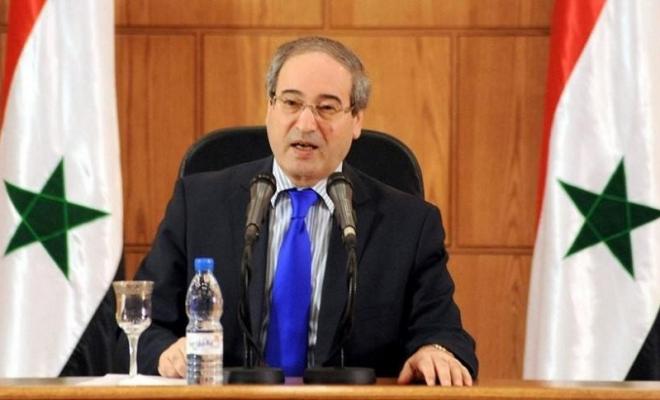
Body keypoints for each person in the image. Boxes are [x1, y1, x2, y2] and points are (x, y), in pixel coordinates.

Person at [119, 36, 478, 386]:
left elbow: (444, 333)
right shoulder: (199, 204)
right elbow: (138, 327)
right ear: (270, 107)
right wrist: (163, 352)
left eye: (327, 108)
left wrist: (436, 351)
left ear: (356, 120)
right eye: (291, 102)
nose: (306, 124)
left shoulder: (408, 224)